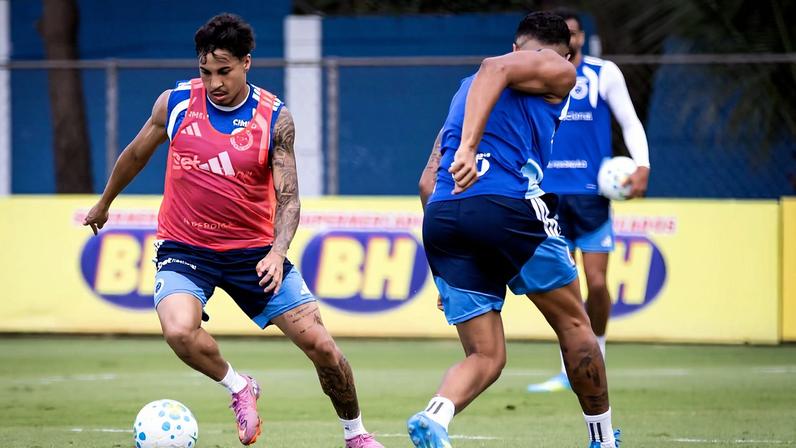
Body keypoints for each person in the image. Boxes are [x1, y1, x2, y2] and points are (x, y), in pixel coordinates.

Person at [82, 13, 383, 448]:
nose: (214, 82)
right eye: (206, 72)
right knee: (178, 331)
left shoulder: (274, 118)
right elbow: (135, 154)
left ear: (247, 62)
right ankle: (240, 386)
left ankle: (356, 435)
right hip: (186, 247)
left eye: (224, 71)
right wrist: (104, 201)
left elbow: (290, 198)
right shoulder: (176, 103)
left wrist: (278, 252)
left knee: (322, 348)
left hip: (254, 252)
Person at [412, 11, 619, 448]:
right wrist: (469, 149)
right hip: (506, 205)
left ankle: (436, 415)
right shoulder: (559, 68)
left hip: (445, 218)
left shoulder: (465, 92)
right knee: (574, 323)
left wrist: (448, 266)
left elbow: (427, 181)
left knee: (486, 355)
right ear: (562, 53)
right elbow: (496, 68)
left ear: (515, 42)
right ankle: (603, 439)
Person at [527, 8, 651, 394]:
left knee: (596, 283)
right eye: (566, 34)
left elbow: (629, 121)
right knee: (566, 287)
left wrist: (642, 166)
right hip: (549, 194)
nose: (572, 40)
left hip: (592, 194)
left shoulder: (603, 73)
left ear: (580, 37)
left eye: (577, 33)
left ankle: (598, 352)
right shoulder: (534, 74)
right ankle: (568, 368)